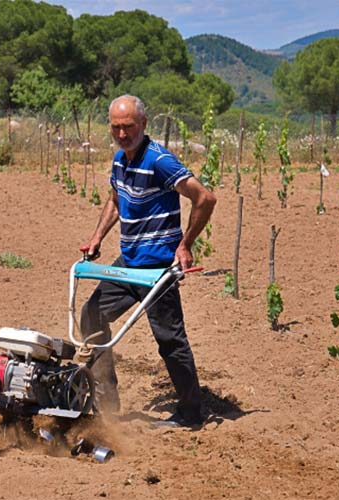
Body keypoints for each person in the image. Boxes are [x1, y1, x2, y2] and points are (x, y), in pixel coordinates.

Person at [80, 94, 217, 428]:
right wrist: (98, 237)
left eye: (128, 127)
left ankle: (191, 414)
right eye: (116, 128)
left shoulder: (160, 161)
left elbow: (205, 198)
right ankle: (107, 402)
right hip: (128, 262)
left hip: (157, 268)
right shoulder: (119, 160)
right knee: (91, 315)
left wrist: (184, 245)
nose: (122, 134)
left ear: (143, 124)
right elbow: (116, 199)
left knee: (169, 339)